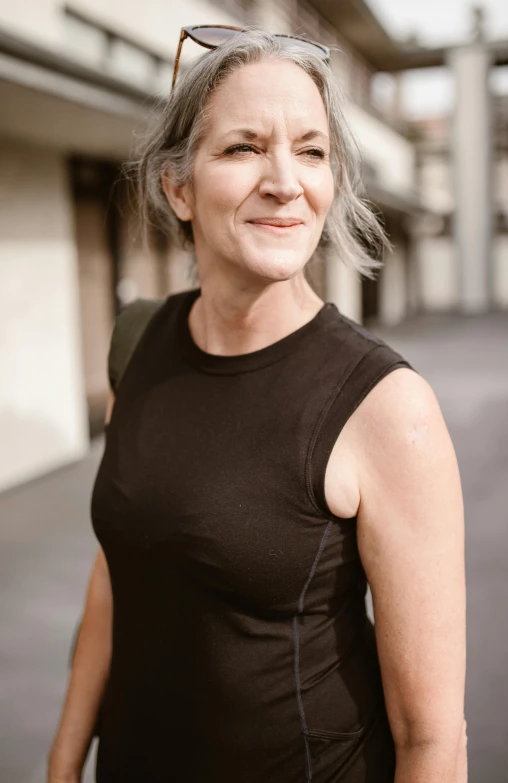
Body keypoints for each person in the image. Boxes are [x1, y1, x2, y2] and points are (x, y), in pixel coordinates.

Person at [47, 27, 467, 783]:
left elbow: (432, 739)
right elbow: (123, 568)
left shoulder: (385, 406)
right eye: (244, 148)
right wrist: (62, 761)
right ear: (178, 186)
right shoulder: (140, 341)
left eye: (310, 150)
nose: (285, 180)